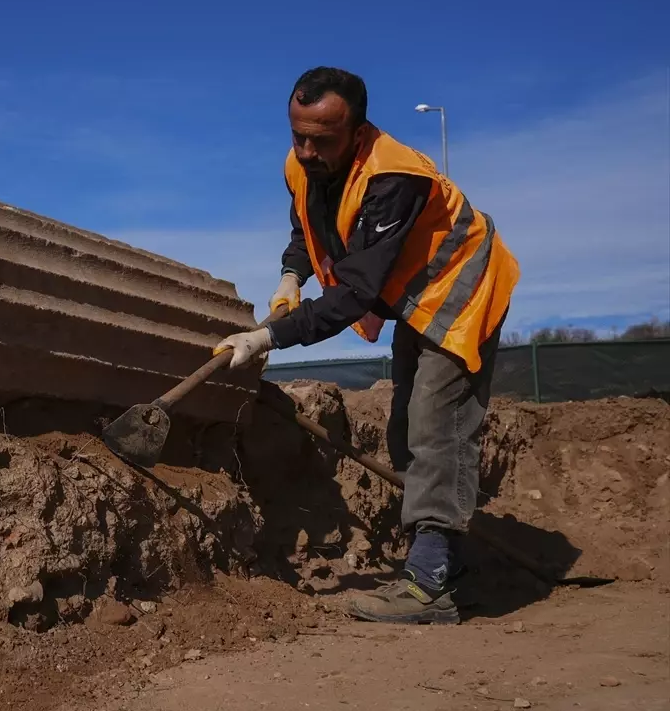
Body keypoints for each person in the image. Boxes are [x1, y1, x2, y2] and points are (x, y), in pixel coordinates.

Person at [215, 66, 520, 624]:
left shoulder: (395, 176)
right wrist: (291, 276)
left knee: (437, 426)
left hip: (462, 288)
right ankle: (447, 568)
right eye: (298, 136)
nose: (307, 152)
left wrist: (268, 336)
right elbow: (309, 226)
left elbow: (356, 291)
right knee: (405, 428)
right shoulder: (302, 164)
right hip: (414, 296)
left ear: (358, 133)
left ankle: (429, 587)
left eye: (322, 140)